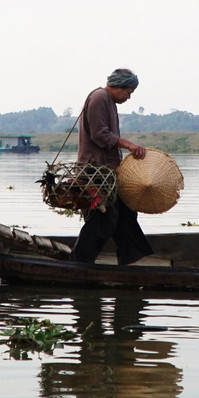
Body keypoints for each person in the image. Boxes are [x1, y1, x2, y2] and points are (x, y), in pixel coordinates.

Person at [70, 68, 152, 265]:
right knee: (103, 217)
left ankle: (131, 259)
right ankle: (79, 263)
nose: (128, 97)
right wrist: (129, 145)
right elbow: (100, 135)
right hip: (94, 171)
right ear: (118, 87)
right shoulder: (99, 98)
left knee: (126, 212)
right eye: (128, 92)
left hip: (107, 171)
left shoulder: (110, 102)